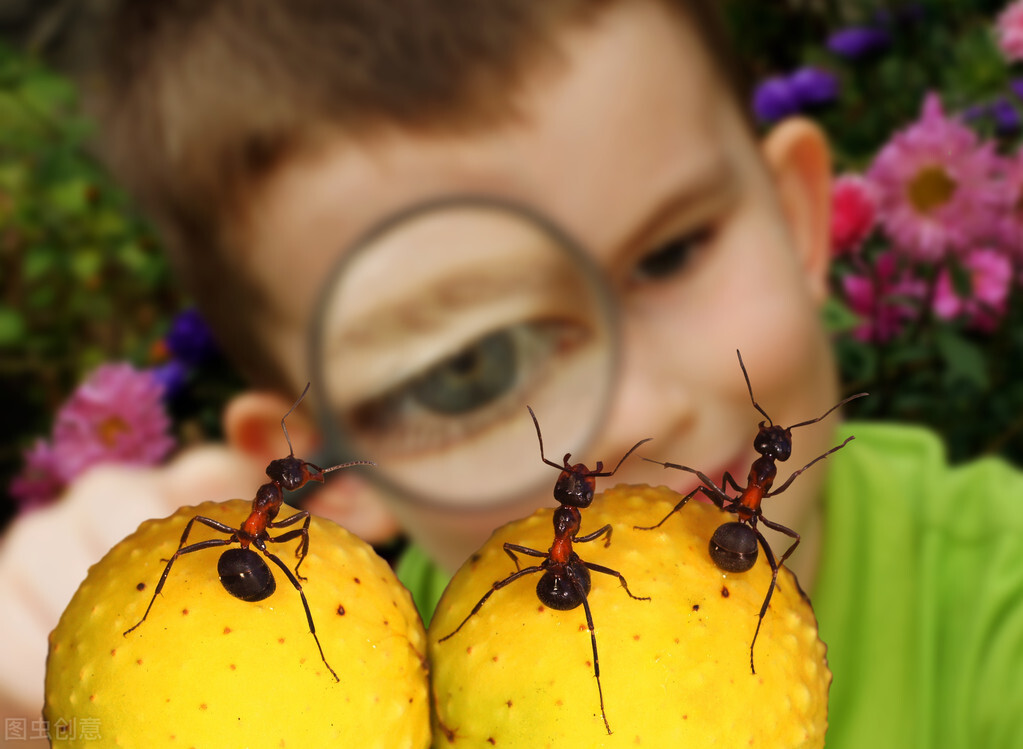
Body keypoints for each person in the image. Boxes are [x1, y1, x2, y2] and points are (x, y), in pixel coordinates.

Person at [2, 1, 1021, 747]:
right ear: (333, 468)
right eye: (468, 366)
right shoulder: (337, 693)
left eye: (668, 256)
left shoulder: (993, 600)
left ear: (804, 215)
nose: (629, 417)